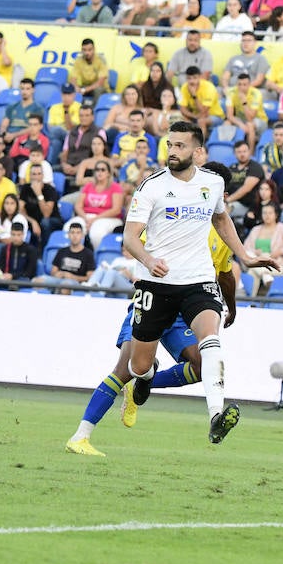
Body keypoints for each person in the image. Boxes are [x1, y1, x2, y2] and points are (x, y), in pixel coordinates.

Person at [120, 121, 278, 445]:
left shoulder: (213, 183)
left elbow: (221, 218)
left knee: (210, 339)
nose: (173, 151)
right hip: (157, 283)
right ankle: (146, 377)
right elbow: (129, 237)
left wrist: (245, 257)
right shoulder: (151, 186)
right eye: (169, 145)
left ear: (197, 150)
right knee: (138, 365)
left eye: (180, 146)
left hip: (198, 280)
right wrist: (149, 261)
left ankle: (216, 415)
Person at [67, 161, 239, 457]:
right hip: (153, 298)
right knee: (126, 368)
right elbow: (135, 242)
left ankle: (142, 386)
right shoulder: (172, 213)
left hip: (186, 306)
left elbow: (224, 273)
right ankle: (81, 436)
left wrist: (230, 306)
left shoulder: (221, 231)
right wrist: (148, 265)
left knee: (201, 364)